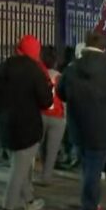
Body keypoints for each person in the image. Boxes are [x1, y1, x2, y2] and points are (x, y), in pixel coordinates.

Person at [58, 32, 106, 210]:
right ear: (104, 49)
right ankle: (90, 206)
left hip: (77, 125)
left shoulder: (72, 69)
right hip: (102, 126)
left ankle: (88, 199)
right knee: (94, 168)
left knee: (88, 165)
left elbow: (60, 93)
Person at [0, 35, 53, 210]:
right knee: (19, 170)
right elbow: (46, 100)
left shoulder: (3, 67)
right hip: (27, 126)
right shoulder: (33, 70)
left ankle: (29, 202)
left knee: (21, 164)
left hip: (5, 124)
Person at [35, 46, 66, 185]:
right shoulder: (60, 77)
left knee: (38, 147)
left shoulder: (38, 74)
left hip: (40, 114)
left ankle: (32, 174)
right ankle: (46, 177)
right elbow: (64, 98)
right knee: (52, 149)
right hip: (57, 116)